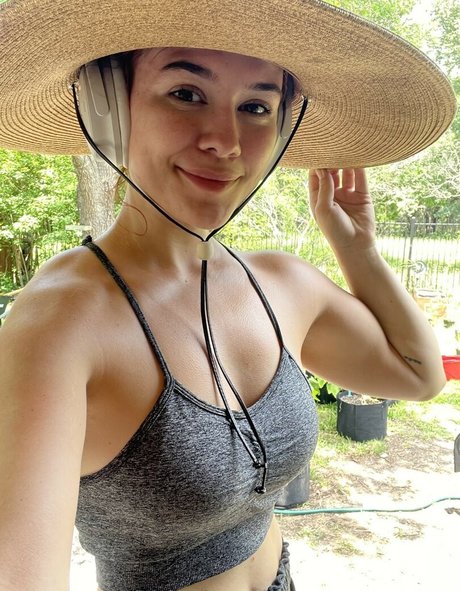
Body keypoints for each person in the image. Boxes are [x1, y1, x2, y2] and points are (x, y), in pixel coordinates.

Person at [0, 1, 456, 590]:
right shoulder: (60, 324)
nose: (227, 141)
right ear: (108, 105)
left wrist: (359, 249)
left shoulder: (281, 283)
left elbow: (418, 375)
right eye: (186, 93)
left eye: (256, 107)